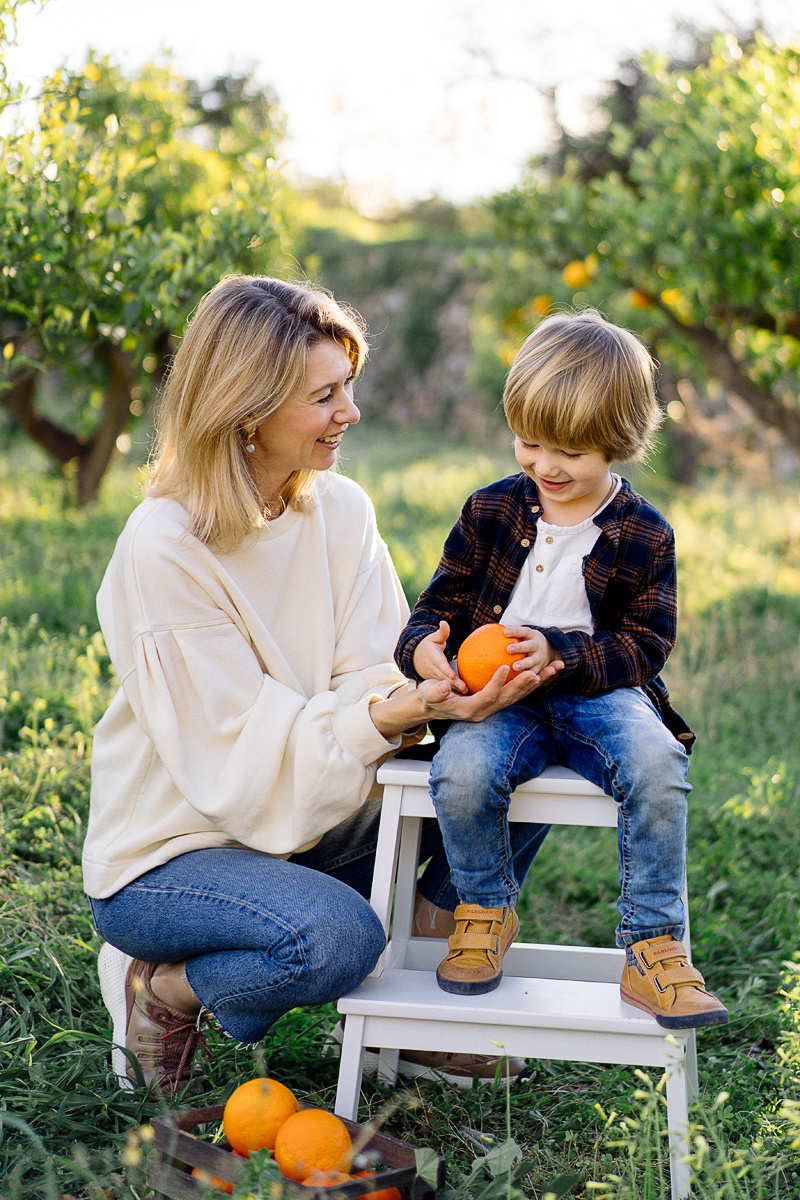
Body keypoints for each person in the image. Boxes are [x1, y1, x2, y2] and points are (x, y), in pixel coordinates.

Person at [83, 274, 551, 1098]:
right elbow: (236, 760)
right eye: (324, 396)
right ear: (248, 411)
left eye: (349, 386)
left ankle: (424, 1010)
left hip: (312, 820)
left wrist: (422, 695)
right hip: (176, 857)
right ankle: (159, 987)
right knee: (336, 940)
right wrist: (386, 713)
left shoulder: (339, 510)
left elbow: (373, 670)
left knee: (511, 766)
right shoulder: (164, 547)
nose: (352, 412)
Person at [395, 309, 729, 1030]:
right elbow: (437, 605)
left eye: (570, 452)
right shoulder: (490, 510)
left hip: (600, 693)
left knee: (658, 764)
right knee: (463, 771)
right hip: (499, 697)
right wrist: (423, 648)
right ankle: (484, 908)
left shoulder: (645, 532)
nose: (546, 466)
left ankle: (654, 947)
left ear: (619, 442)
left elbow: (646, 643)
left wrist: (563, 651)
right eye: (530, 443)